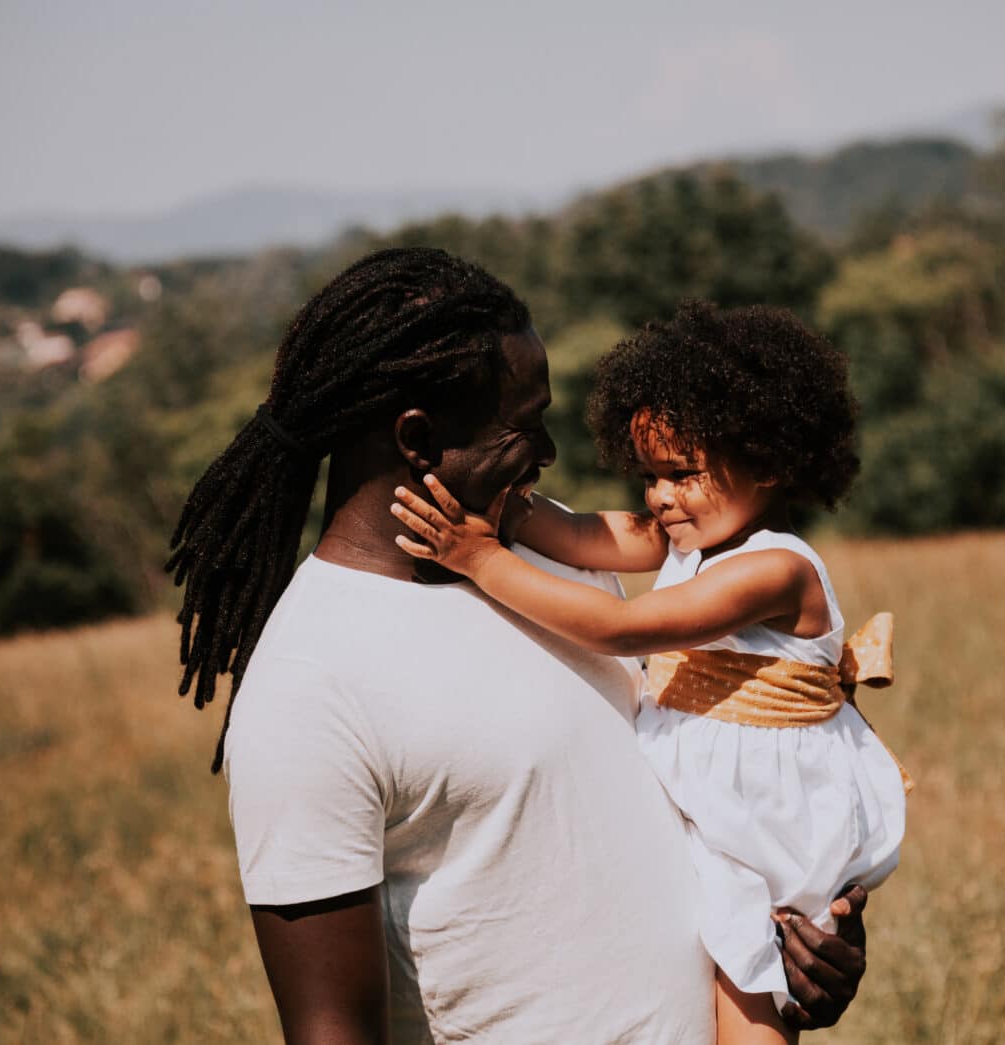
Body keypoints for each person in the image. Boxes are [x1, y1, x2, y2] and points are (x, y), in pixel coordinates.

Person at [167, 249, 872, 1043]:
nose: (550, 451)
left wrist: (803, 937)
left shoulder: (549, 557)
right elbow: (332, 1031)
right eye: (524, 423)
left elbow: (720, 772)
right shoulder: (310, 682)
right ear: (418, 439)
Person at [389, 301, 910, 1044]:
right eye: (649, 476)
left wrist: (477, 558)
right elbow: (579, 534)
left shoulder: (775, 569)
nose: (660, 498)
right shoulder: (691, 535)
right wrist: (501, 508)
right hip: (719, 811)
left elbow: (621, 627)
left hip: (767, 825)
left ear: (765, 461)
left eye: (682, 474)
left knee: (751, 1003)